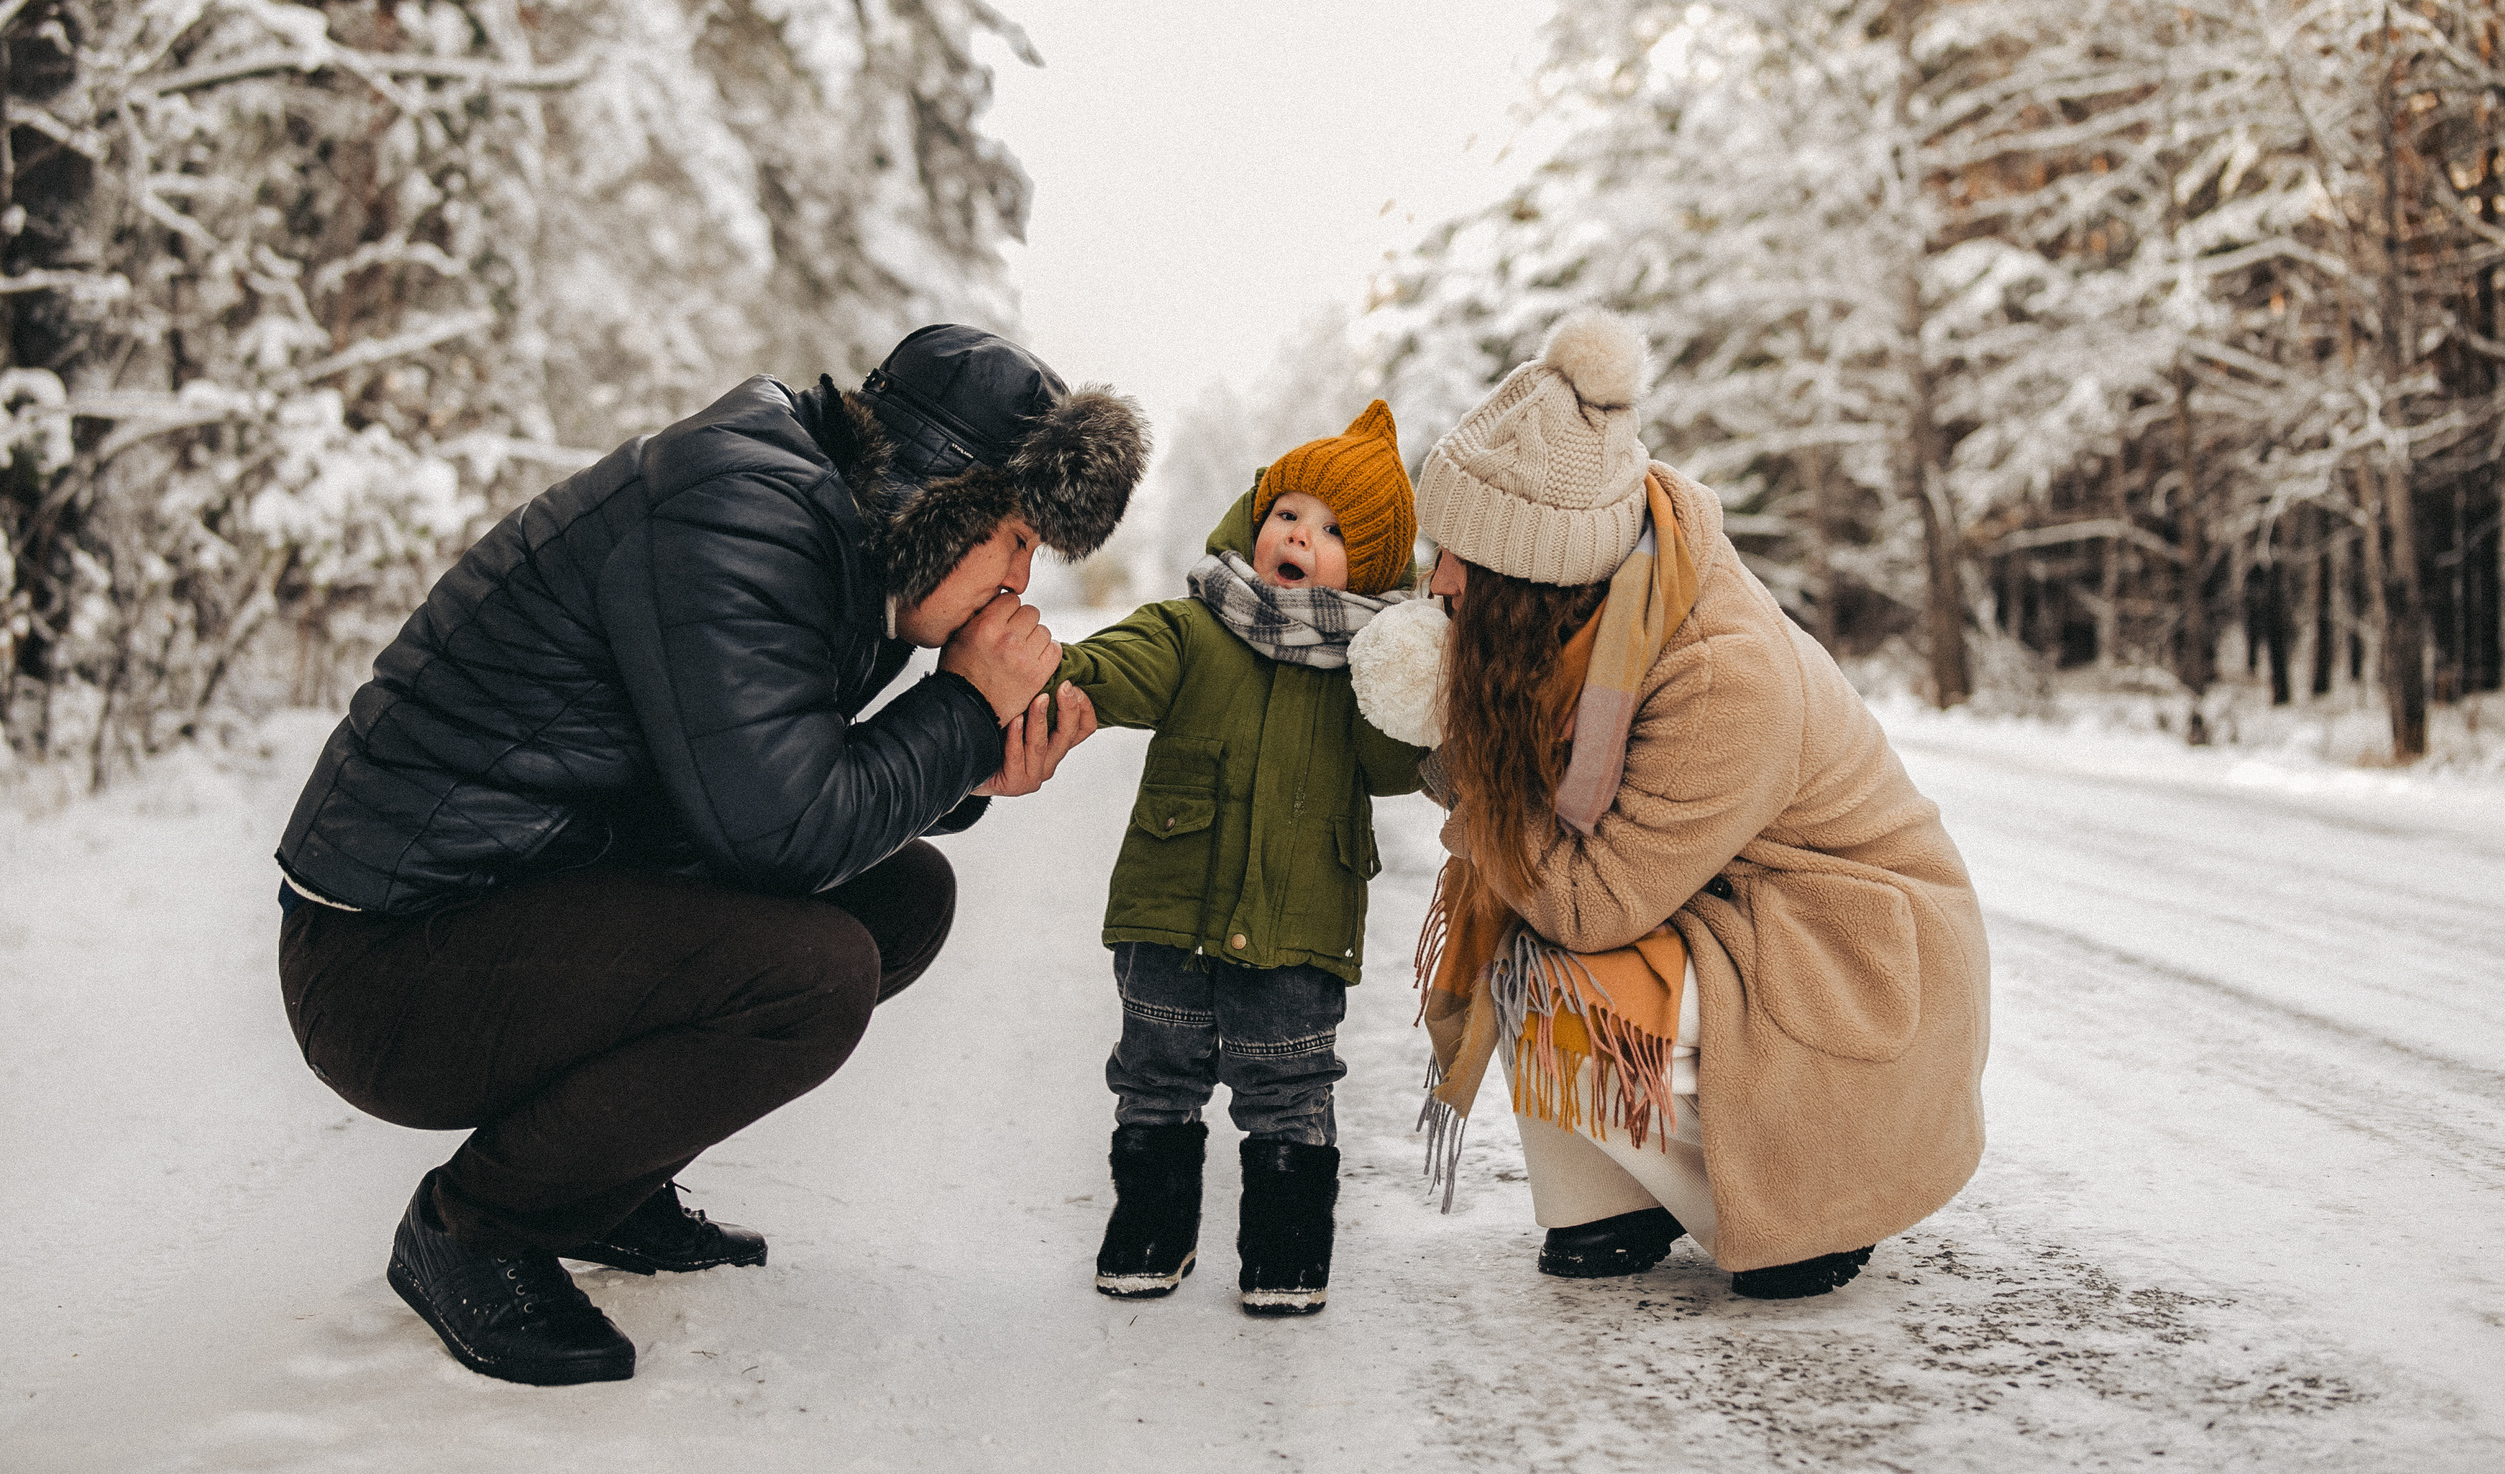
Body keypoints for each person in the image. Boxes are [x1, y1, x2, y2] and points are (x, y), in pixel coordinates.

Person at [272, 324, 1147, 1385]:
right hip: (385, 965)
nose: (1018, 580)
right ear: (939, 499)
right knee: (812, 976)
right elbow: (779, 831)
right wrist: (961, 712)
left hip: (516, 899)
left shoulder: (833, 535)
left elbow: (755, 783)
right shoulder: (741, 511)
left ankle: (600, 1185)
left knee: (901, 898)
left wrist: (969, 767)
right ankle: (475, 1231)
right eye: (1013, 539)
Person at [1350, 311, 1990, 1299]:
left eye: (1461, 562)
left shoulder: (1714, 677)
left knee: (1548, 957)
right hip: (1738, 918)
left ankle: (1807, 1202)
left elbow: (1586, 905)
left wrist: (1465, 761)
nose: (1437, 583)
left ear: (1537, 579)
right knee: (1536, 952)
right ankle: (1608, 1208)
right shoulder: (1601, 612)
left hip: (1849, 958)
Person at [1050, 401, 1427, 1315]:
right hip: (1169, 913)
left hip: (1300, 922)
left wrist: (1420, 674)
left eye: (1335, 530)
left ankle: (1287, 1253)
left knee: (1290, 1085)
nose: (1301, 534)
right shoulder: (1194, 627)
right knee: (1154, 1075)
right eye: (1288, 512)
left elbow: (1399, 760)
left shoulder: (1369, 668)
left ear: (1371, 565)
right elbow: (1122, 661)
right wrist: (1058, 669)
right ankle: (1151, 1231)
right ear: (1259, 522)